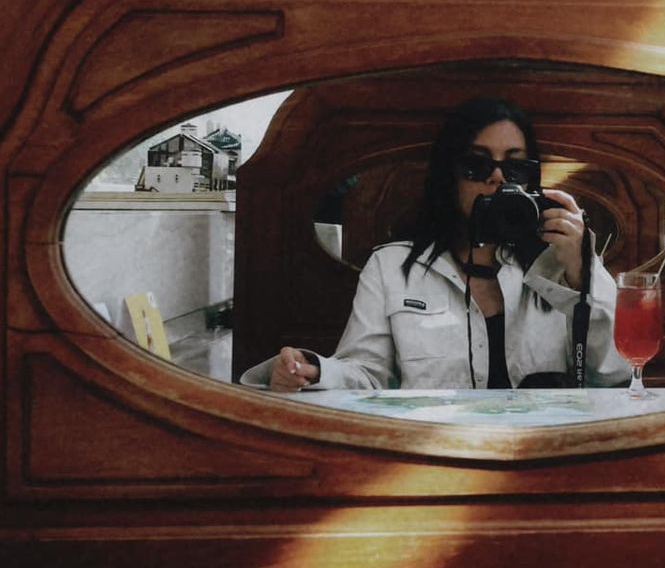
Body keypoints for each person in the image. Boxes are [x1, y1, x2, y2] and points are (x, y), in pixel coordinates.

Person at [241, 96, 630, 392]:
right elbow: (368, 377)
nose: (497, 180)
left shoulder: (561, 261)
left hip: (543, 458)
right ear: (450, 175)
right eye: (477, 165)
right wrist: (313, 371)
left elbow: (615, 372)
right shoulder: (392, 269)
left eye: (515, 168)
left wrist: (580, 274)